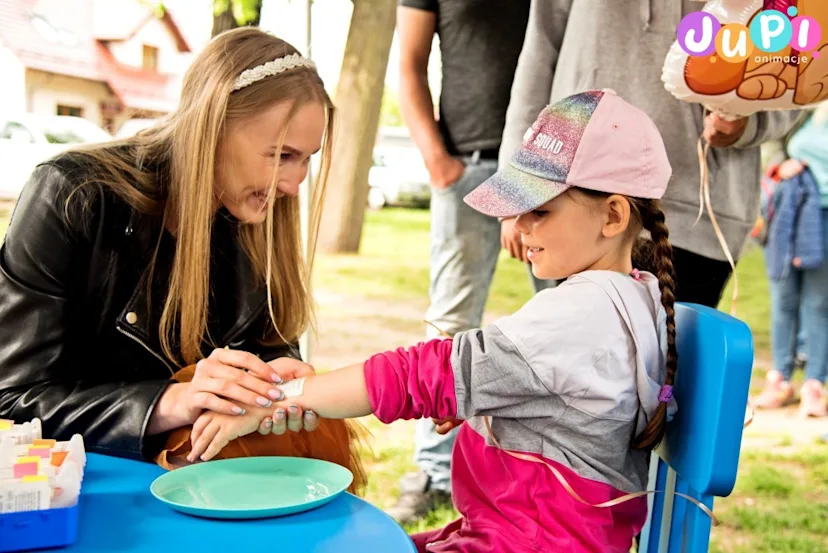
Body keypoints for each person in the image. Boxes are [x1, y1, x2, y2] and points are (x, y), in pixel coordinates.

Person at [188, 90, 680, 553]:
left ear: (613, 216)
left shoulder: (579, 314)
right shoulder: (633, 298)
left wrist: (281, 400)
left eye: (541, 211)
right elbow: (570, 404)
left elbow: (417, 375)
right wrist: (489, 404)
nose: (519, 225)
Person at [0, 29, 363, 482]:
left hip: (207, 484)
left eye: (307, 158)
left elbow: (268, 346)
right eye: (281, 156)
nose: (293, 185)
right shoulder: (74, 194)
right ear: (213, 127)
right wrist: (168, 402)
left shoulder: (251, 214)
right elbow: (13, 400)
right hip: (79, 486)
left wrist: (275, 383)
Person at [499, 0, 803, 306]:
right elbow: (539, 52)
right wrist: (517, 189)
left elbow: (796, 68)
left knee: (671, 353)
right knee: (572, 348)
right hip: (575, 200)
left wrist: (747, 123)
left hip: (699, 209)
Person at [395, 0, 532, 522]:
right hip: (468, 166)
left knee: (573, 320)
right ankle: (433, 472)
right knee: (450, 326)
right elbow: (409, 60)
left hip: (550, 169)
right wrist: (435, 157)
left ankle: (558, 471)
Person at [753, 106, 828, 417]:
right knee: (782, 300)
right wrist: (779, 167)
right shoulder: (802, 109)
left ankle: (815, 384)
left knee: (818, 303)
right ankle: (780, 380)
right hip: (789, 215)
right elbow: (769, 148)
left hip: (823, 219)